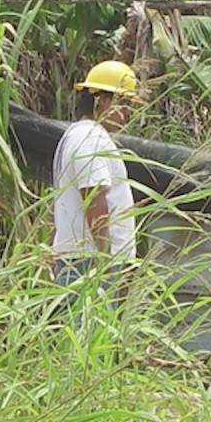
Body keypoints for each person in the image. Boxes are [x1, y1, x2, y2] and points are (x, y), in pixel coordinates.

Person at [52, 60, 140, 291]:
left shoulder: (80, 134)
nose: (128, 113)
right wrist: (105, 259)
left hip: (84, 259)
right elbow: (93, 197)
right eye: (123, 103)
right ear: (100, 100)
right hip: (89, 262)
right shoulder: (91, 138)